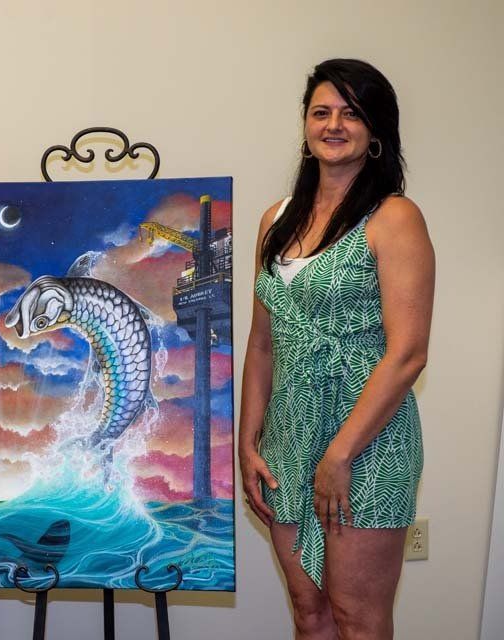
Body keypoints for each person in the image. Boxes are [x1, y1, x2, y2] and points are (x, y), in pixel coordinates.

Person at [239, 59, 434, 639]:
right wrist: (248, 441)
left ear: (376, 131)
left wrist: (340, 454)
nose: (334, 124)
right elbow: (262, 341)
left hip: (366, 444)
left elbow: (409, 353)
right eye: (321, 111)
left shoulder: (394, 218)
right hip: (288, 441)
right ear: (305, 125)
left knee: (359, 619)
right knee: (309, 614)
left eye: (351, 113)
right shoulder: (275, 219)